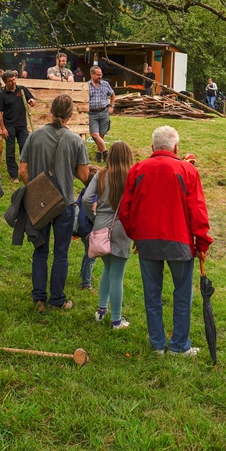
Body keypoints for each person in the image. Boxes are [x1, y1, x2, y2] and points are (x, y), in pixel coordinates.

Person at [117, 125, 212, 356]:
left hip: (147, 239)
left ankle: (158, 344)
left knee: (152, 294)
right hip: (179, 241)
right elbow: (198, 212)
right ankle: (179, 346)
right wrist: (202, 243)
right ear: (176, 148)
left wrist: (136, 235)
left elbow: (125, 211)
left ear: (153, 147)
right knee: (182, 294)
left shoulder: (138, 169)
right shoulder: (187, 171)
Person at [19, 94, 91, 311]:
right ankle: (57, 300)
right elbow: (84, 175)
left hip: (40, 204)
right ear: (71, 114)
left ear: (51, 111)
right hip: (65, 204)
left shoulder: (35, 136)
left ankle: (39, 299)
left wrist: (36, 189)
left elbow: (23, 170)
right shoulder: (76, 140)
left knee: (40, 251)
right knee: (61, 253)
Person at [83, 141, 134, 329]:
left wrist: (93, 217)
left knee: (107, 269)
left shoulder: (101, 174)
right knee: (117, 275)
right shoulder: (132, 176)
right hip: (122, 226)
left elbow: (87, 199)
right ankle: (116, 319)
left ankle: (101, 310)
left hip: (101, 224)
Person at [0, 70, 35, 184]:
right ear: (5, 83)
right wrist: (3, 128)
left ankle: (25, 171)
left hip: (22, 126)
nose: (13, 82)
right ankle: (13, 174)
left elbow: (32, 100)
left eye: (14, 79)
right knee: (10, 150)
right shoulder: (2, 95)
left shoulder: (21, 90)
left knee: (25, 148)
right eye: (10, 81)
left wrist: (32, 101)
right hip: (9, 126)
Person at [87, 65, 115, 163]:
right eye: (98, 75)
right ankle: (106, 153)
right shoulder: (86, 85)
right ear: (92, 74)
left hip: (104, 111)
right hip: (92, 113)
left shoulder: (105, 84)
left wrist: (112, 106)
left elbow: (112, 94)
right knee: (95, 134)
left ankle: (98, 156)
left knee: (101, 135)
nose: (100, 76)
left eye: (101, 74)